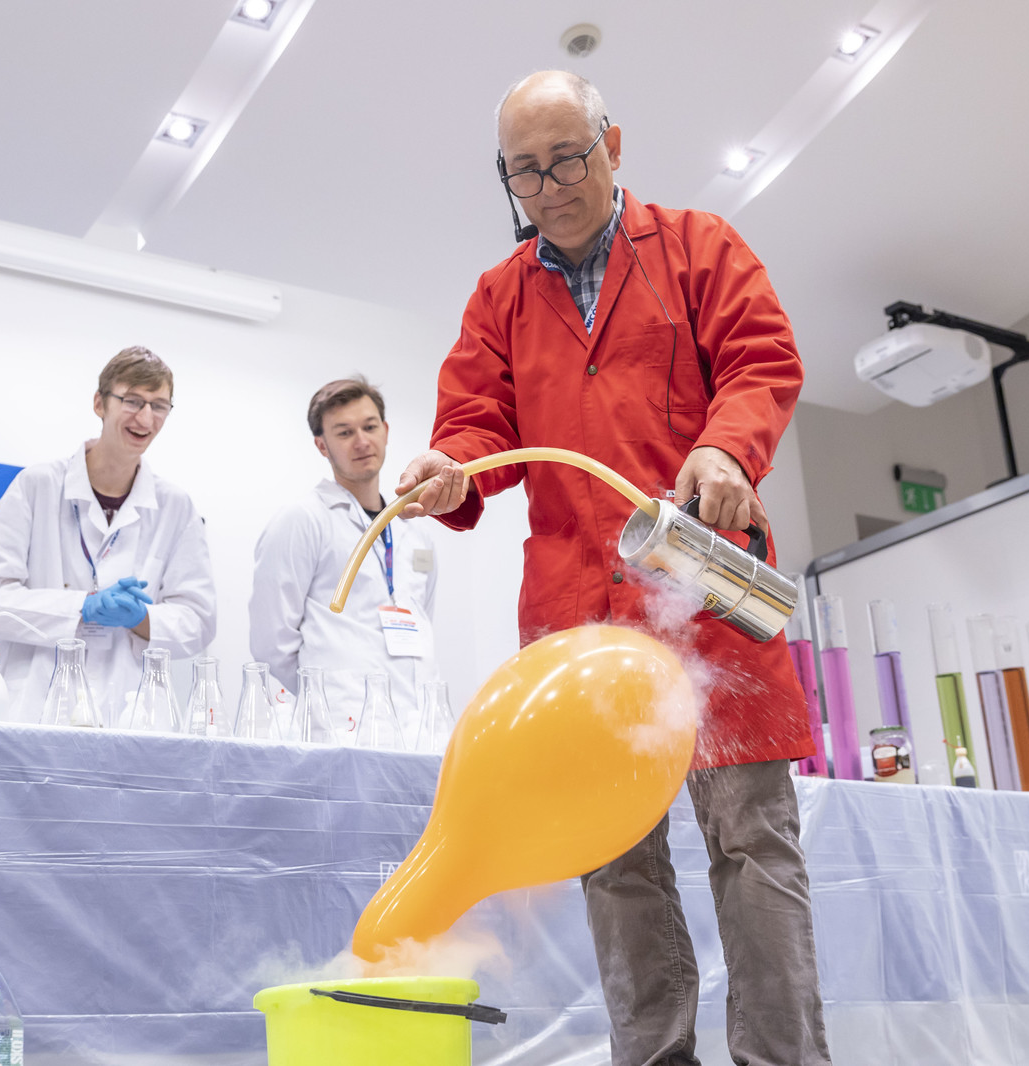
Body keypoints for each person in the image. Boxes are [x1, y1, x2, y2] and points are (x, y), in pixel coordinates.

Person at [397, 72, 829, 1066]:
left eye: (566, 161)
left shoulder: (700, 247)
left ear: (614, 145)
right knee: (612, 856)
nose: (548, 189)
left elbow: (761, 362)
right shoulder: (499, 297)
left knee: (751, 842)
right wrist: (447, 467)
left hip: (703, 592)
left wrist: (725, 450)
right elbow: (476, 426)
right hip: (580, 624)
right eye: (523, 171)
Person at [0, 346, 215, 723]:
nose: (146, 417)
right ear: (100, 403)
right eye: (133, 400)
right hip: (30, 707)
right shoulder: (38, 485)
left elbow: (198, 621)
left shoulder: (175, 507)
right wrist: (81, 607)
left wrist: (140, 617)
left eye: (159, 405)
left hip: (127, 712)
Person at [249, 377, 438, 739]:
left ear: (385, 431)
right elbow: (271, 643)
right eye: (345, 432)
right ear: (322, 445)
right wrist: (326, 699)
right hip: (341, 724)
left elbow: (424, 614)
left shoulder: (415, 529)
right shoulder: (302, 520)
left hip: (417, 723)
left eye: (370, 427)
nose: (362, 441)